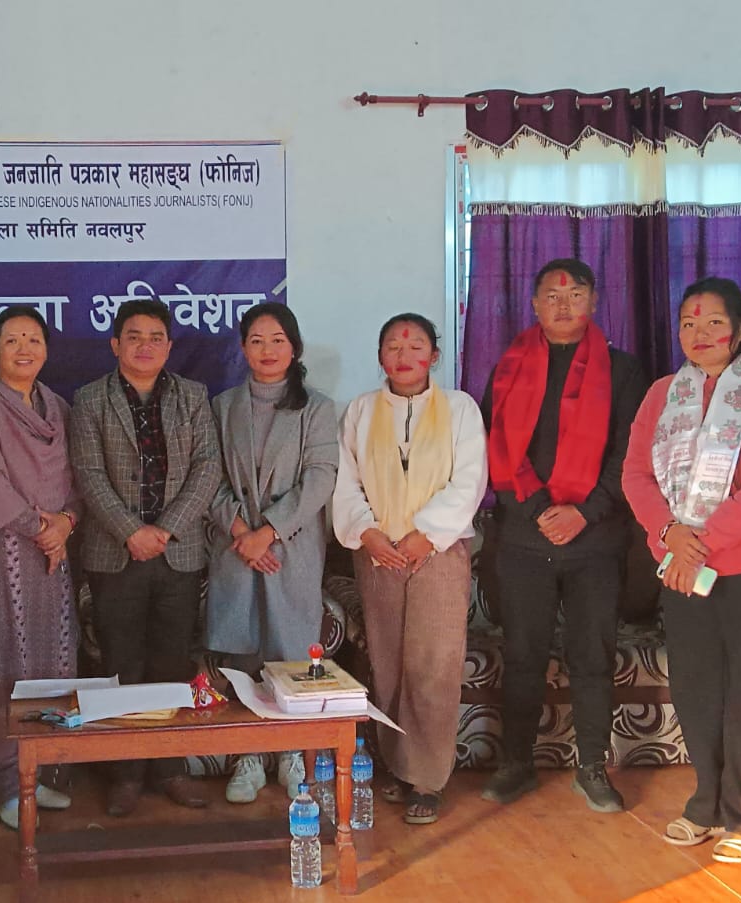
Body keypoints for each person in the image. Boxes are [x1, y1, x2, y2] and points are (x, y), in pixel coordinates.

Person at [621, 277, 741, 865]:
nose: (699, 334)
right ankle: (707, 801)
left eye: (713, 322)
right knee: (697, 687)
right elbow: (636, 476)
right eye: (688, 323)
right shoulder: (662, 394)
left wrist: (697, 544)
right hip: (681, 567)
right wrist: (668, 536)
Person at [478, 258, 646, 813]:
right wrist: (538, 511)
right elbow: (496, 447)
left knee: (592, 655)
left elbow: (630, 452)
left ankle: (592, 766)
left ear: (594, 302)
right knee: (523, 654)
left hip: (595, 540)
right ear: (534, 305)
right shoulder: (508, 368)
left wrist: (585, 512)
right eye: (552, 294)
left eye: (575, 293)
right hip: (524, 541)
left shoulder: (623, 371)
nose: (563, 303)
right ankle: (516, 764)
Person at [69, 297, 221, 817]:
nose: (145, 346)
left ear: (169, 347)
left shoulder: (193, 396)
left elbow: (207, 467)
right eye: (134, 337)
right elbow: (88, 474)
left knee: (172, 664)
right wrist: (132, 532)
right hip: (115, 553)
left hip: (179, 552)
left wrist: (166, 529)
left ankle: (169, 768)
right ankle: (125, 773)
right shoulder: (90, 399)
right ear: (115, 344)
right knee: (120, 664)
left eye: (156, 338)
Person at [332, 313, 487, 824]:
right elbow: (346, 481)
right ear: (380, 357)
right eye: (393, 347)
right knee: (388, 661)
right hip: (378, 552)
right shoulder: (360, 410)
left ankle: (427, 779)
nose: (404, 356)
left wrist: (426, 534)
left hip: (438, 552)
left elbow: (469, 481)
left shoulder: (460, 409)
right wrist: (368, 533)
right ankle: (398, 766)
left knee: (433, 665)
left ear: (434, 356)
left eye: (416, 346)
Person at [0, 306, 84, 829]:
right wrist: (42, 529)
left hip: (53, 555)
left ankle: (41, 774)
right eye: (12, 340)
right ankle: (7, 785)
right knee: (2, 666)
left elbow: (77, 477)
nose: (24, 349)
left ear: (47, 349)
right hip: (1, 551)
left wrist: (66, 523)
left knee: (52, 661)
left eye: (33, 339)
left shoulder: (58, 408)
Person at [206, 302, 337, 804]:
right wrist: (244, 532)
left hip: (291, 549)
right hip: (236, 549)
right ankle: (248, 758)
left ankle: (290, 755)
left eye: (277, 340)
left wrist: (270, 532)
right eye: (257, 340)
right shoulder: (222, 407)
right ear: (243, 348)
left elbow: (320, 477)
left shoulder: (316, 408)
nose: (267, 350)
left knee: (291, 654)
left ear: (294, 348)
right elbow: (208, 477)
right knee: (241, 655)